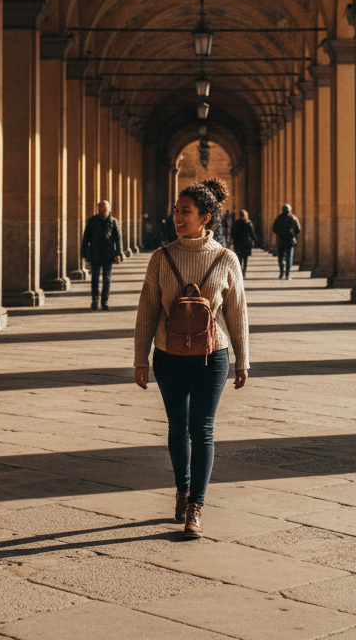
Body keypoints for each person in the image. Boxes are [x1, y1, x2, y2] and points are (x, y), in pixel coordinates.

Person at [134, 178, 249, 539]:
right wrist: (140, 358)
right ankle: (182, 489)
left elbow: (237, 312)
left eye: (185, 211)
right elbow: (147, 311)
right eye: (176, 211)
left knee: (202, 429)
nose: (178, 217)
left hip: (211, 357)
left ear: (206, 217)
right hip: (168, 355)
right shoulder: (161, 257)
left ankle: (196, 505)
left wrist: (243, 359)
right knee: (177, 427)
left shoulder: (226, 259)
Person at [80, 200, 123, 310]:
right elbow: (86, 238)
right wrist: (83, 253)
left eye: (103, 207)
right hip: (95, 253)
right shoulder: (92, 221)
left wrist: (118, 254)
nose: (101, 209)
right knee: (94, 277)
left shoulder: (113, 221)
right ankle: (95, 300)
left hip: (108, 254)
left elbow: (118, 238)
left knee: (106, 278)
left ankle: (105, 301)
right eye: (99, 207)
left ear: (109, 209)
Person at [272, 203, 301, 280]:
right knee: (289, 258)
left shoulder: (279, 218)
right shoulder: (293, 218)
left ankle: (282, 272)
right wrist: (293, 234)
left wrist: (279, 233)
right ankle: (287, 274)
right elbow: (298, 229)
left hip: (281, 240)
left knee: (281, 257)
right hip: (290, 240)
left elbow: (274, 229)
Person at [229, 209, 256, 277]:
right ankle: (244, 271)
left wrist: (232, 239)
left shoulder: (236, 223)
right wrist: (254, 239)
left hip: (238, 242)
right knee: (245, 259)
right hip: (246, 243)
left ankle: (239, 271)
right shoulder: (248, 223)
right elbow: (252, 233)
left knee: (239, 258)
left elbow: (232, 233)